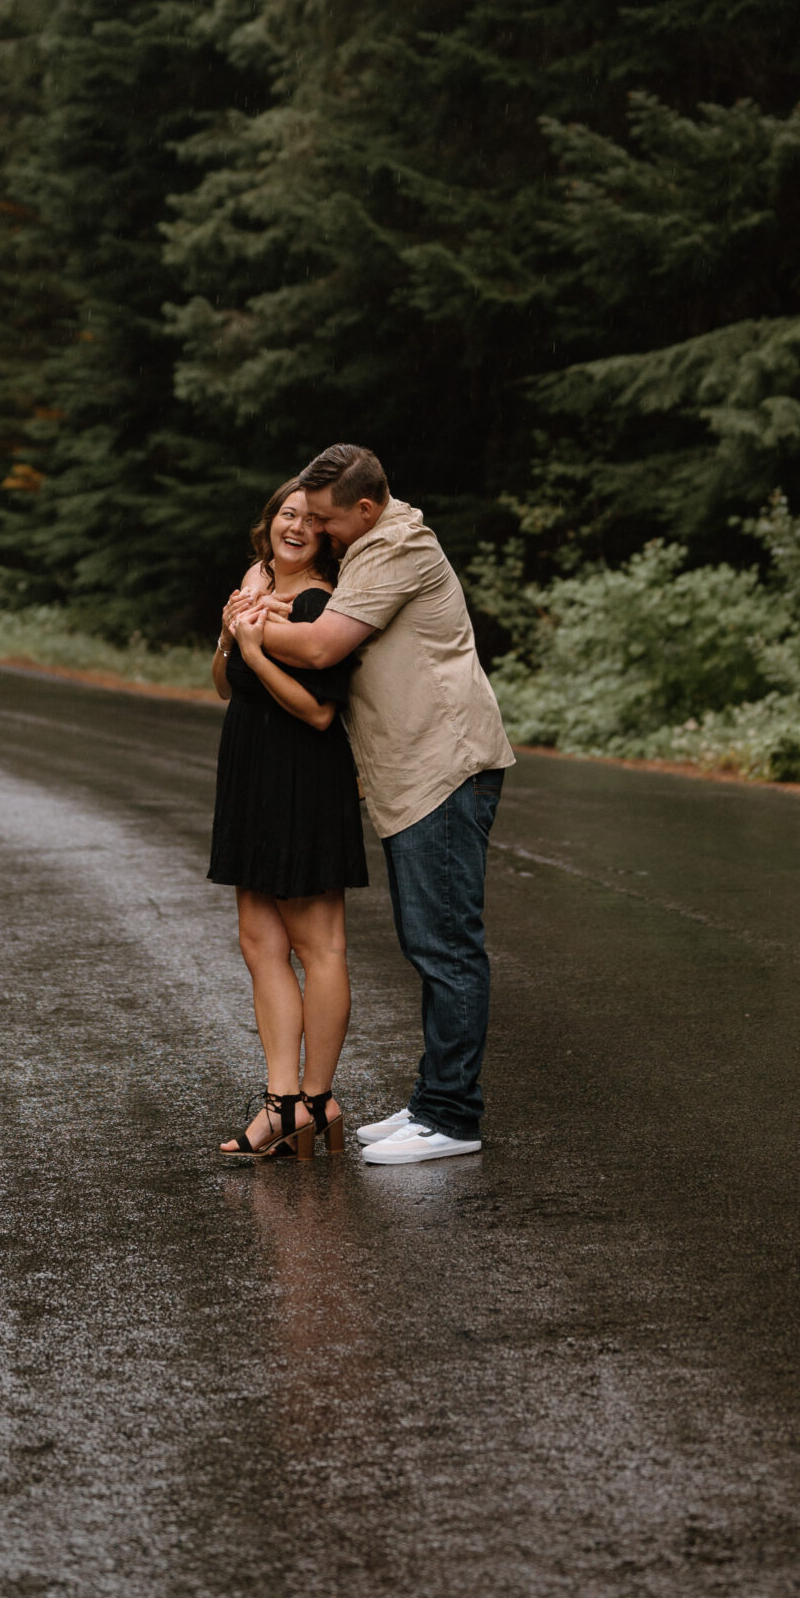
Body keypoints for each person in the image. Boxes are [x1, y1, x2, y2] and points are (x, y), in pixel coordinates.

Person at [252, 443, 515, 1165]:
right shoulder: (368, 548)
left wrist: (244, 627)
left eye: (328, 519)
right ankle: (435, 1101)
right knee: (427, 941)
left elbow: (318, 649)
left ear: (364, 510)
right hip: (411, 773)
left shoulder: (397, 549)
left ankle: (453, 1118)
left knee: (445, 944)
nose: (320, 529)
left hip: (444, 765)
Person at [208, 479, 368, 1161]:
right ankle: (279, 1103)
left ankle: (316, 1094)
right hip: (250, 773)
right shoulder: (254, 582)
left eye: (309, 518)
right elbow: (223, 686)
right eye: (285, 513)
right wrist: (227, 638)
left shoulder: (321, 604)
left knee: (316, 943)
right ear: (268, 521)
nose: (295, 526)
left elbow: (318, 711)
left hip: (303, 775)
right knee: (258, 941)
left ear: (327, 534)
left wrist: (251, 649)